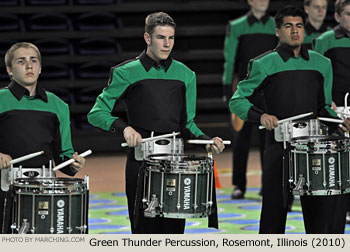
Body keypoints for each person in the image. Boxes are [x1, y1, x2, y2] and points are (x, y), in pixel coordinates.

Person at [87, 12, 225, 234]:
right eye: (161, 37)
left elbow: (187, 123)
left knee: (173, 233)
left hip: (175, 164)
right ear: (147, 38)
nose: (167, 44)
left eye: (171, 38)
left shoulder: (186, 75)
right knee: (144, 233)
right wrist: (124, 128)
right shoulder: (126, 72)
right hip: (141, 163)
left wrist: (207, 141)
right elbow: (96, 112)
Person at [229, 5, 350, 234]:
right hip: (279, 150)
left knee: (319, 221)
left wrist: (339, 121)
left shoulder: (321, 64)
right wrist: (261, 115)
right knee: (273, 219)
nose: (295, 31)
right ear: (277, 31)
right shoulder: (263, 64)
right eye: (288, 26)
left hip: (313, 151)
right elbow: (237, 101)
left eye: (299, 26)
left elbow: (323, 107)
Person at [0, 42, 86, 233]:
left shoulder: (58, 105)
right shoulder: (1, 99)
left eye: (34, 61)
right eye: (21, 61)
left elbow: (64, 154)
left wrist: (73, 163)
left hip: (44, 189)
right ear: (10, 70)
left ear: (40, 67)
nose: (29, 66)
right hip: (4, 188)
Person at [222, 0, 278, 199]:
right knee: (240, 140)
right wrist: (229, 93)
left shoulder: (276, 25)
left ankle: (268, 184)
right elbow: (229, 61)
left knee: (269, 141)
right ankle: (239, 185)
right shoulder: (236, 27)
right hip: (244, 92)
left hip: (268, 92)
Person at [313, 0, 350, 225]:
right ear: (337, 17)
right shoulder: (325, 40)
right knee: (341, 164)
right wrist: (327, 103)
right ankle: (341, 209)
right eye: (348, 14)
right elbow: (315, 75)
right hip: (338, 111)